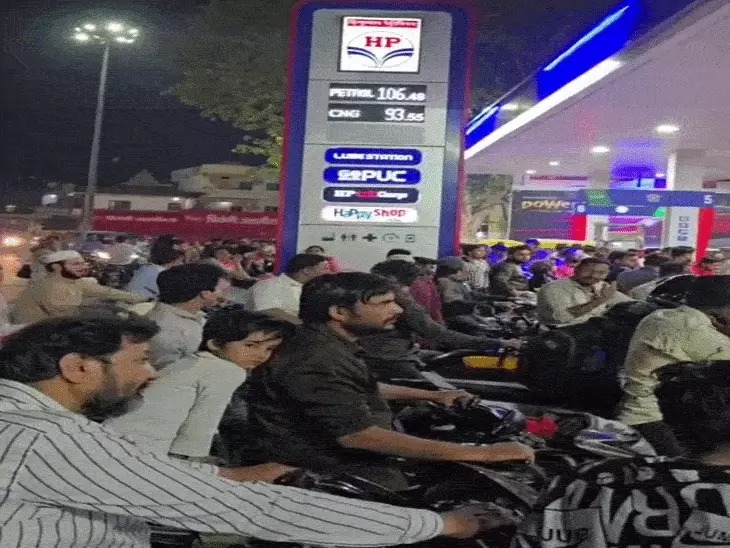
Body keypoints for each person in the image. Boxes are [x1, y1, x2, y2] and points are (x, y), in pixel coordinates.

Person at [0, 316, 512, 547]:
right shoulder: (49, 438)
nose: (153, 374)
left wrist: (229, 476)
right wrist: (440, 525)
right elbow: (251, 511)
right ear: (78, 367)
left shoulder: (31, 422)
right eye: (140, 361)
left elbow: (143, 474)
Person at [243, 273, 534, 489]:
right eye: (384, 303)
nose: (397, 310)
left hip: (345, 457)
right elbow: (357, 436)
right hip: (335, 470)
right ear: (338, 312)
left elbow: (354, 389)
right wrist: (483, 454)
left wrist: (432, 396)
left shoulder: (328, 345)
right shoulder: (315, 359)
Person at [106, 309, 293, 462]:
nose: (261, 355)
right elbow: (200, 426)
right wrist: (191, 465)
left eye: (269, 349)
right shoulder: (229, 371)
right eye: (250, 346)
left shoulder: (195, 362)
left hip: (114, 436)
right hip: (142, 449)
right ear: (215, 344)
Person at [616, 275, 730, 456]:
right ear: (722, 309)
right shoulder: (694, 329)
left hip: (645, 409)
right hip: (653, 419)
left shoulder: (664, 316)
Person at [365, 261, 521, 380]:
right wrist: (499, 344)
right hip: (393, 360)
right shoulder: (401, 303)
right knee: (434, 391)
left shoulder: (378, 299)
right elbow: (440, 334)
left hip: (403, 353)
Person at [11, 250, 145, 324]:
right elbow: (67, 314)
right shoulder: (50, 285)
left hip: (53, 330)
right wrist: (109, 311)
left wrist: (141, 298)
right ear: (56, 267)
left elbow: (108, 292)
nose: (83, 267)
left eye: (82, 263)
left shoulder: (76, 282)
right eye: (76, 264)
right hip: (33, 335)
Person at [146, 263, 229, 370]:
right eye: (223, 290)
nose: (226, 295)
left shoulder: (190, 315)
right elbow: (167, 373)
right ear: (205, 293)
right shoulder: (168, 331)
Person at [536, 257, 632, 326]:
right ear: (576, 269)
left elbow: (629, 303)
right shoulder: (554, 288)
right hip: (561, 334)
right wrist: (600, 300)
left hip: (595, 330)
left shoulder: (601, 286)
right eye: (587, 271)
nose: (593, 276)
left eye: (601, 273)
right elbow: (564, 317)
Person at [249, 253, 331, 322]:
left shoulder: (314, 288)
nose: (328, 272)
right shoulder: (269, 285)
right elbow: (267, 311)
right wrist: (306, 325)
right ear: (307, 270)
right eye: (325, 269)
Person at [410, 257, 444, 324]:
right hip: (425, 320)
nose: (432, 271)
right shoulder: (419, 283)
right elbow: (432, 305)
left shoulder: (429, 282)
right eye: (430, 267)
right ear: (420, 266)